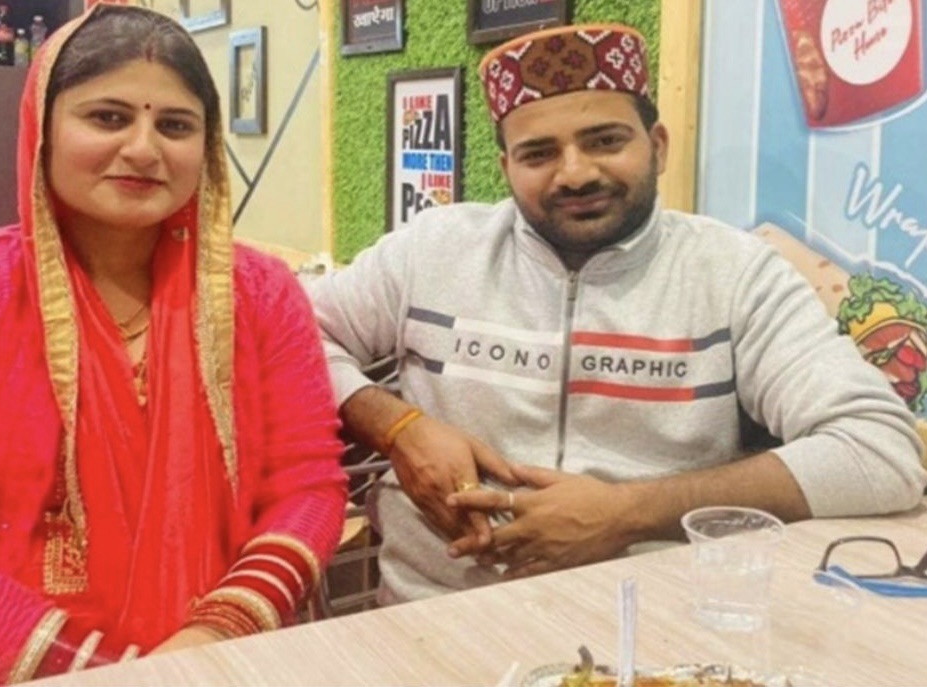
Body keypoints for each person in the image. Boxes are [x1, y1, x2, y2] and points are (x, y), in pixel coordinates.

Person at [309, 23, 927, 605]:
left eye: (605, 141)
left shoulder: (735, 273)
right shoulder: (432, 249)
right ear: (506, 168)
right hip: (429, 618)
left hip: (656, 625)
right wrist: (398, 426)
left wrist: (627, 513)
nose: (575, 174)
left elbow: (879, 452)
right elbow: (293, 338)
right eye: (538, 154)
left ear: (657, 146)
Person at [0, 4, 347, 684]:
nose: (145, 149)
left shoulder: (262, 293)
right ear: (42, 129)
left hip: (219, 664)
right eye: (108, 117)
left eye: (174, 125)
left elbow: (308, 485)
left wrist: (214, 634)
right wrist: (111, 674)